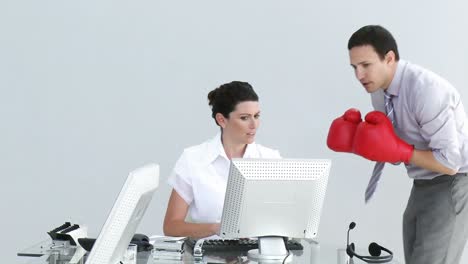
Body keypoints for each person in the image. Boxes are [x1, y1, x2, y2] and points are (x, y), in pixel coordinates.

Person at [327, 25, 468, 264]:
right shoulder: (379, 92)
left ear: (389, 58)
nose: (359, 75)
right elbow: (392, 150)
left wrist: (401, 151)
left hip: (452, 181)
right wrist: (358, 143)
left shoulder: (426, 91)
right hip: (421, 182)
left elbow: (450, 162)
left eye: (366, 65)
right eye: (354, 67)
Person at [163, 81, 281, 239]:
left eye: (257, 116)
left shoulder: (271, 159)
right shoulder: (193, 159)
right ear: (222, 120)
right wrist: (215, 228)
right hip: (207, 256)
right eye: (244, 118)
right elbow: (171, 226)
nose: (254, 125)